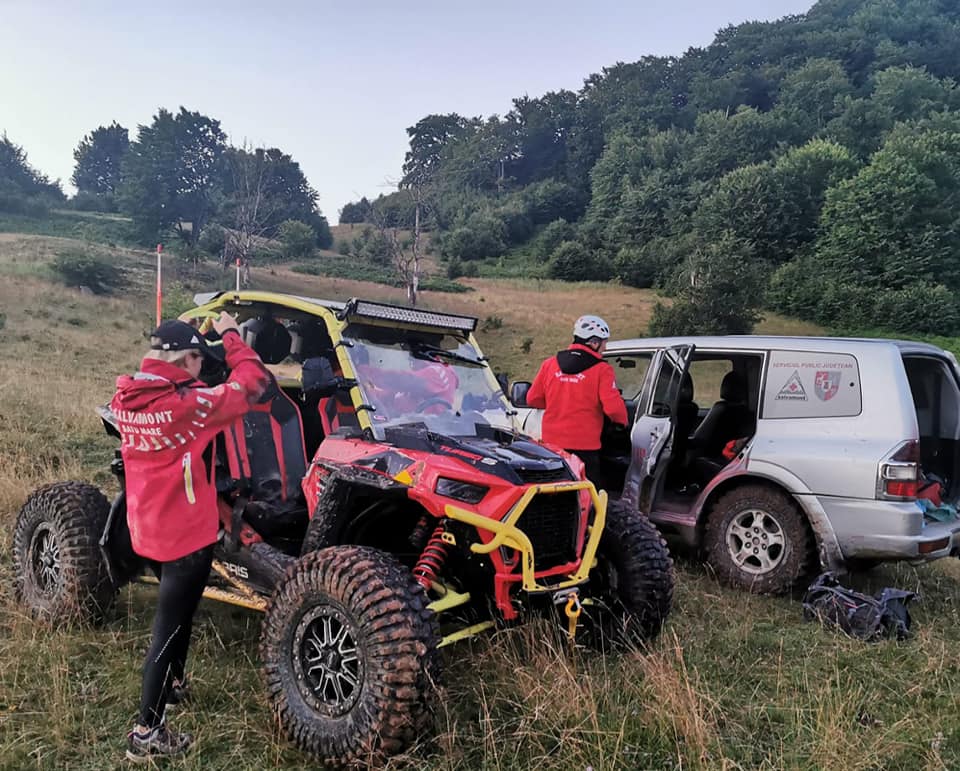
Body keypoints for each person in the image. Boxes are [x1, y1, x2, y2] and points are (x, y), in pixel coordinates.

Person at [111, 312, 270, 763]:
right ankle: (147, 732)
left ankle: (175, 684)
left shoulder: (126, 397)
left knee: (177, 610)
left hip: (147, 529)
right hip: (185, 536)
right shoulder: (191, 407)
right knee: (169, 627)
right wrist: (232, 337)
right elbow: (252, 384)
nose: (203, 368)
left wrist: (193, 332)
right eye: (200, 360)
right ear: (186, 359)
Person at [526, 314, 627, 486]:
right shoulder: (602, 369)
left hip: (552, 447)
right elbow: (613, 409)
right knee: (586, 496)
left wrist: (558, 401)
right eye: (604, 342)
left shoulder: (550, 364)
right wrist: (623, 423)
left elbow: (533, 399)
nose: (605, 347)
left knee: (554, 492)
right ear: (593, 342)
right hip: (585, 448)